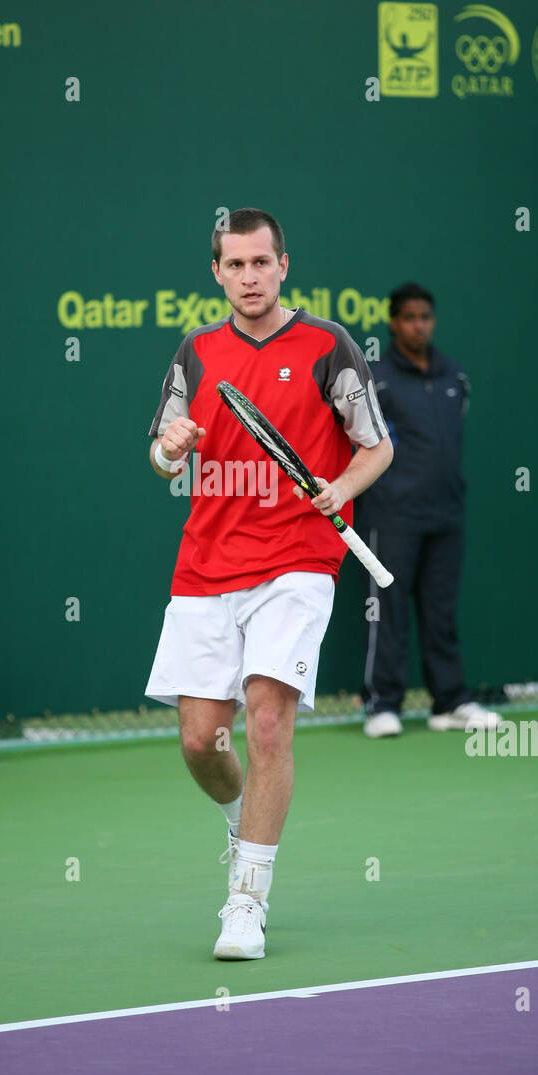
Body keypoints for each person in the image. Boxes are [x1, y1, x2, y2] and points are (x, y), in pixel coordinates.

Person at [145, 208, 393, 959]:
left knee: (267, 721)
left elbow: (375, 448)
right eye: (235, 265)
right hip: (206, 566)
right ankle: (240, 815)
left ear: (284, 265)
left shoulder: (328, 347)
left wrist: (338, 484)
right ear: (216, 273)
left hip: (297, 560)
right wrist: (172, 445)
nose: (249, 277)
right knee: (199, 740)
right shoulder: (195, 352)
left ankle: (246, 900)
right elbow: (161, 455)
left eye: (262, 263)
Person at [356, 282, 499, 738]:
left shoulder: (454, 375)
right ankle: (382, 704)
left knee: (440, 611)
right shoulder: (376, 379)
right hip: (391, 515)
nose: (419, 325)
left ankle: (449, 702)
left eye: (426, 317)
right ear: (394, 323)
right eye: (410, 318)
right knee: (387, 610)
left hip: (446, 513)